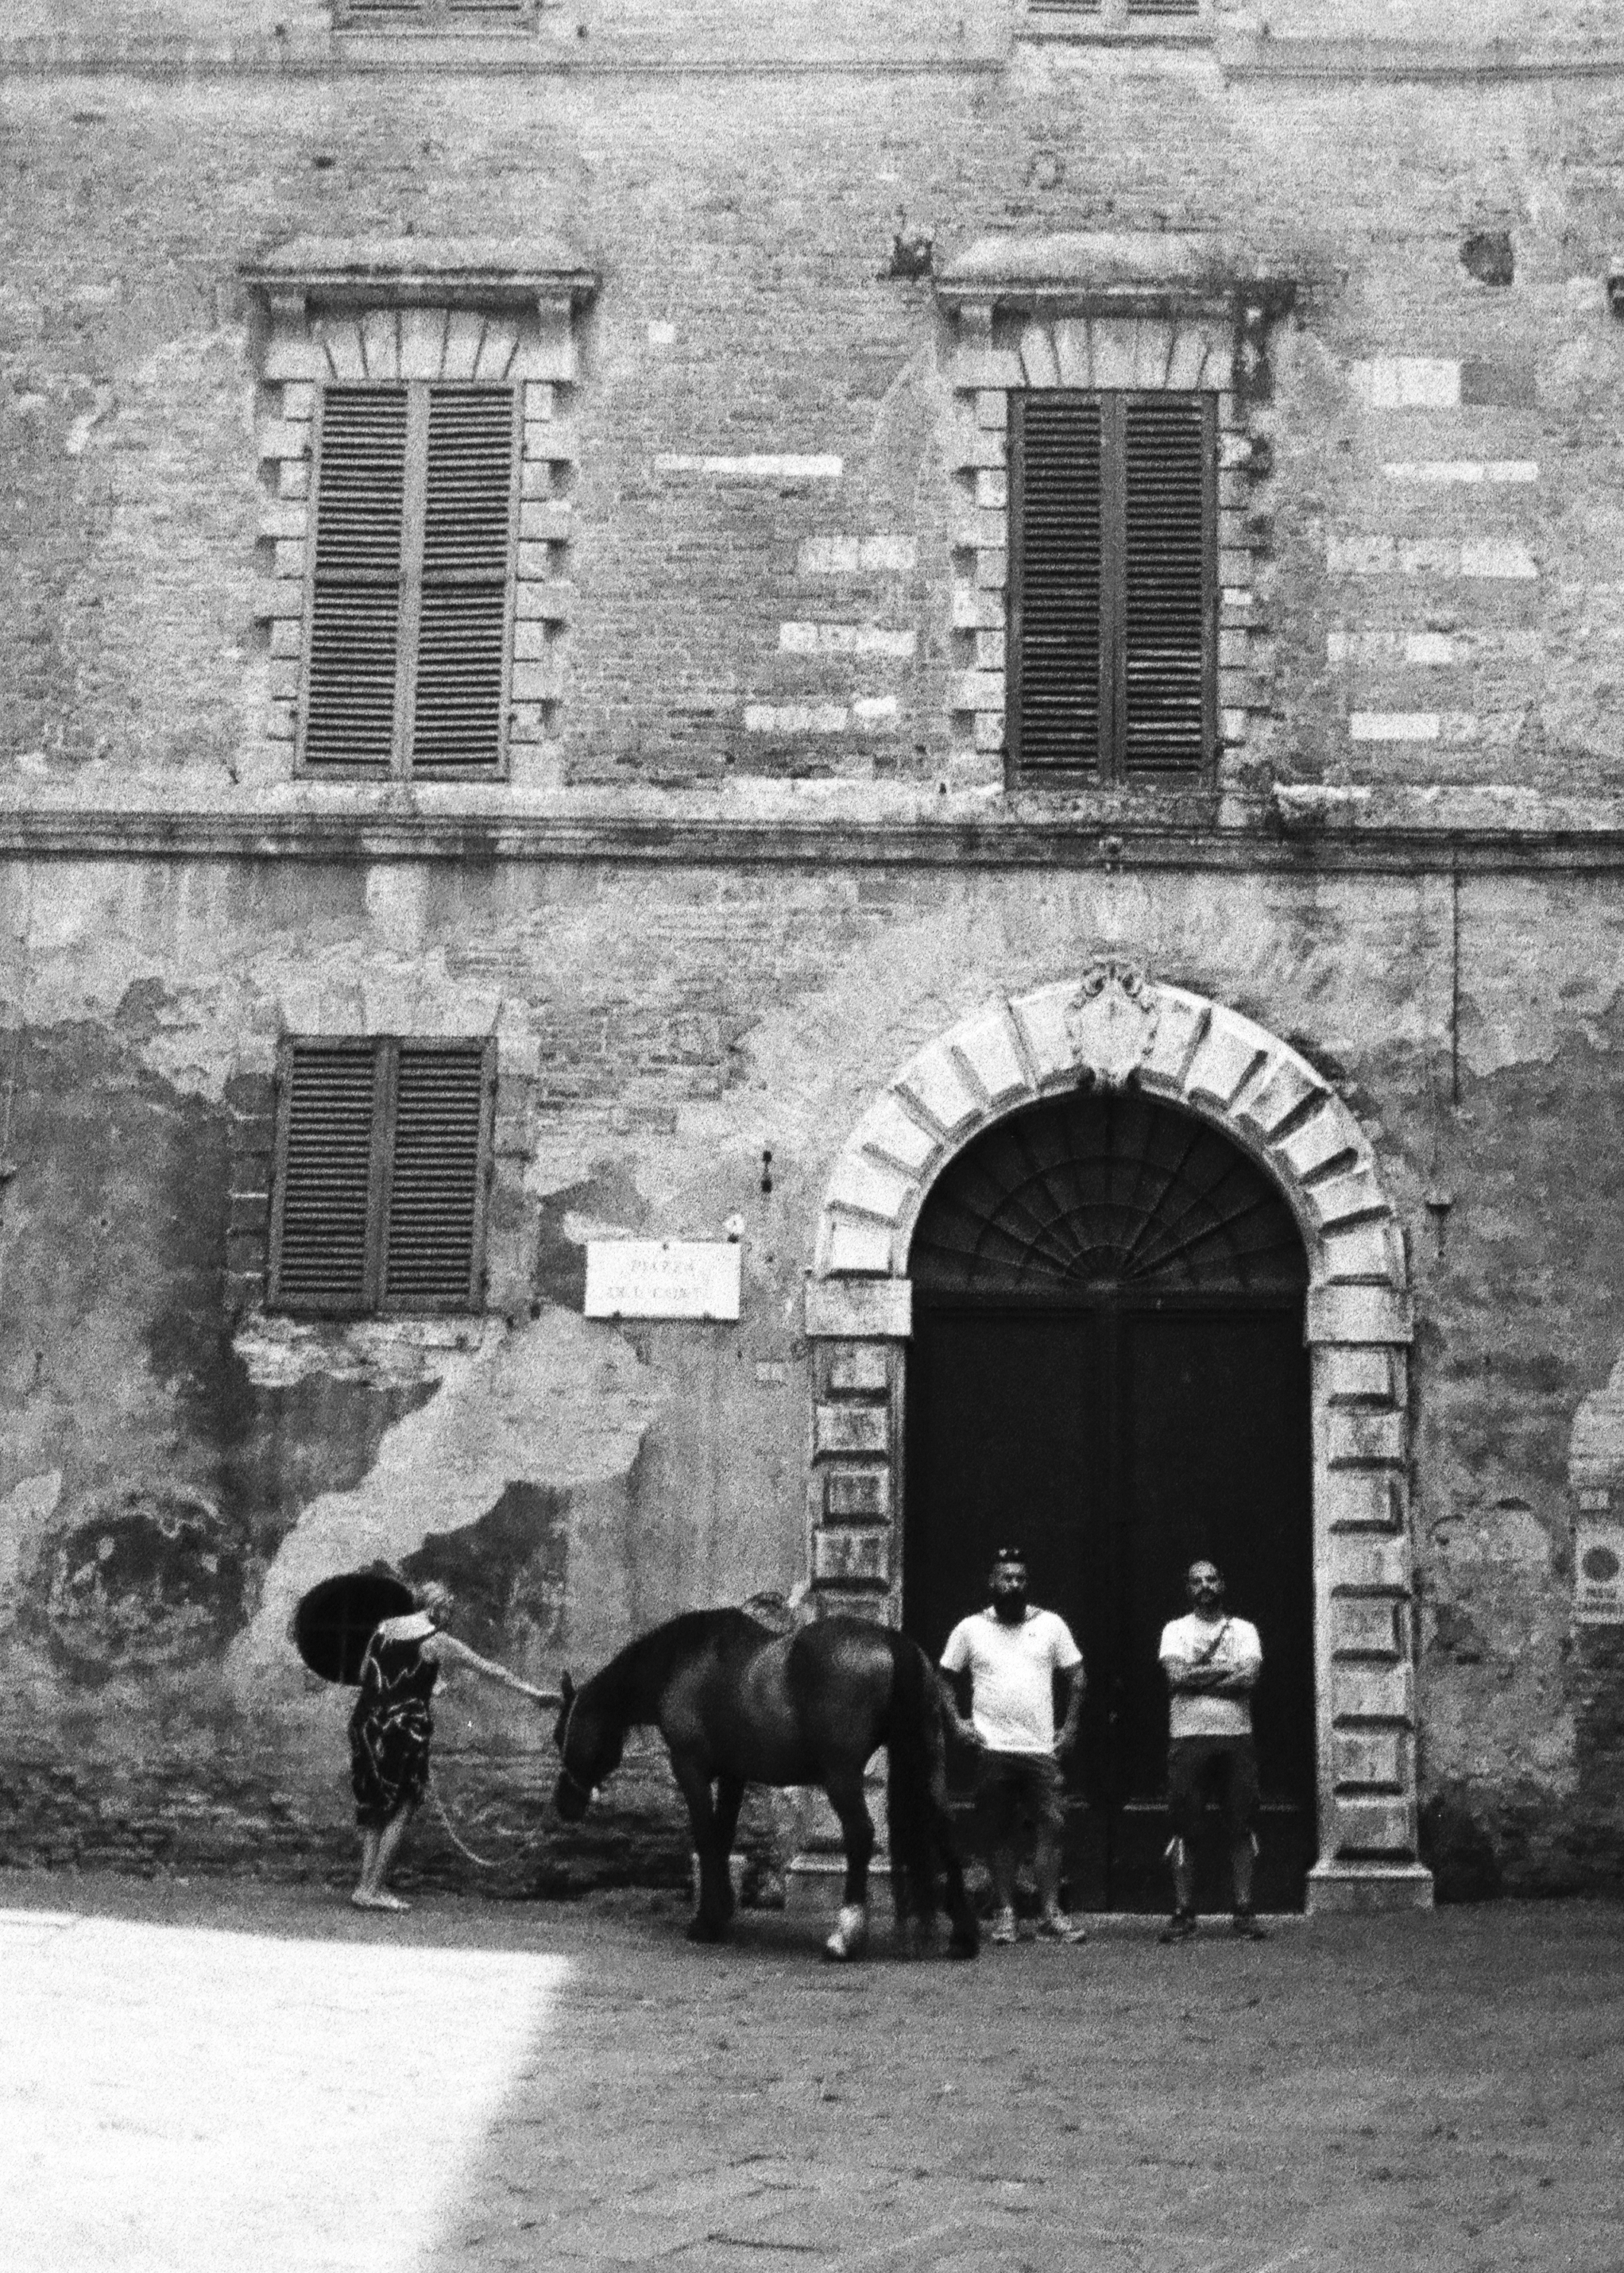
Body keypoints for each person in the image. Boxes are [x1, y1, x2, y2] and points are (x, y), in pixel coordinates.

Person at [348, 1578, 551, 1912]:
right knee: (402, 1804)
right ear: (437, 1607)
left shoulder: (383, 1628)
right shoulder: (436, 1641)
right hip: (404, 1730)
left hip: (366, 1725)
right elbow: (491, 1670)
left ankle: (363, 1887)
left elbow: (364, 1673)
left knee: (373, 1806)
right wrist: (534, 1695)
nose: (448, 1618)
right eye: (447, 1611)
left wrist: (418, 1684)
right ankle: (375, 1888)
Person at [939, 1548, 1087, 1946]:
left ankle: (1050, 1913)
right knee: (1000, 1831)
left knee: (1052, 1828)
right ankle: (1006, 1914)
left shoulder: (1051, 1625)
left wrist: (1070, 1725)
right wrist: (957, 1723)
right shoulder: (970, 1629)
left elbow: (1077, 1676)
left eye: (1021, 1578)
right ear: (992, 1582)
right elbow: (944, 1679)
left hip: (1041, 1750)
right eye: (1006, 1577)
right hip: (993, 1748)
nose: (1014, 1585)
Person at [1158, 1559, 1268, 1942]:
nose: (1205, 1585)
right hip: (1188, 1738)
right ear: (1188, 1589)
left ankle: (1243, 1909)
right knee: (1184, 1825)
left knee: (1242, 1823)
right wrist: (1225, 1674)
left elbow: (1249, 1678)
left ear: (1223, 1584)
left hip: (1236, 1736)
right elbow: (1174, 1676)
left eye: (1212, 1579)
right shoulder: (1174, 1630)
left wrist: (1196, 1679)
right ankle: (1184, 1911)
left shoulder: (1245, 1630)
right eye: (1197, 1580)